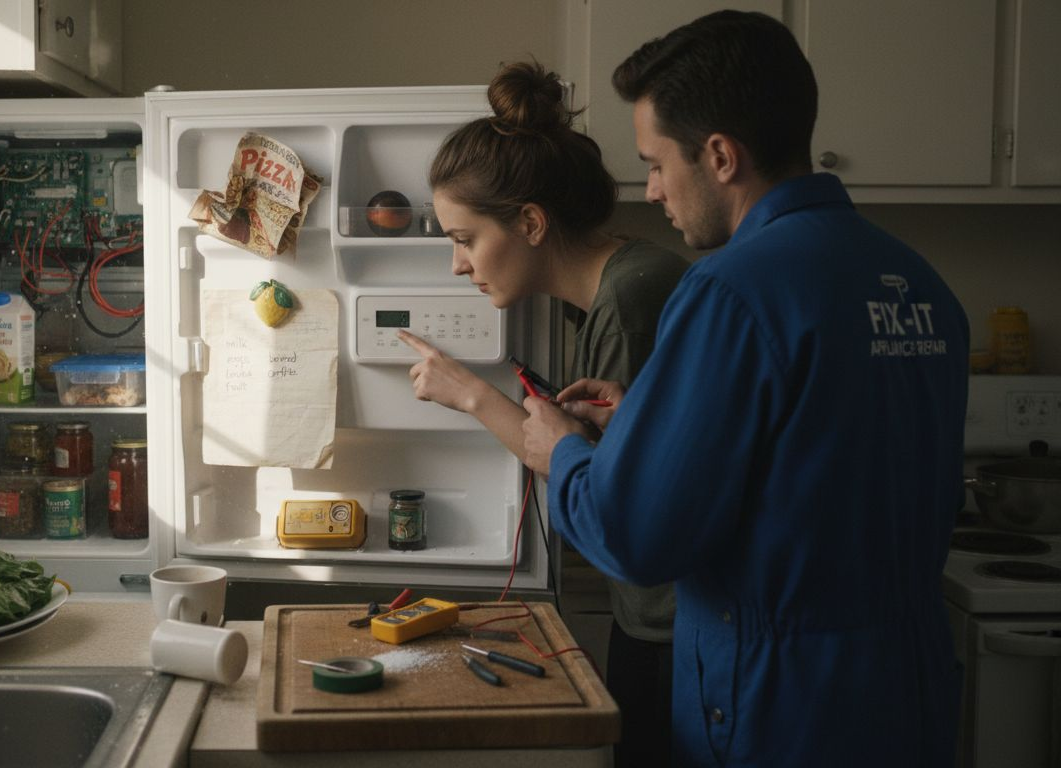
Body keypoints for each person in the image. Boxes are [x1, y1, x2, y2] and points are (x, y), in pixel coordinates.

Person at [519, 11, 968, 767]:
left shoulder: (730, 291)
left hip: (783, 709)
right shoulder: (918, 283)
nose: (653, 189)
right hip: (906, 694)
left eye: (657, 162)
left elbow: (637, 537)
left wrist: (560, 453)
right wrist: (648, 418)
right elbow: (817, 448)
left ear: (721, 155)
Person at [397, 60, 688, 766]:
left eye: (465, 239)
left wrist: (471, 394)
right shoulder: (605, 289)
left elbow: (609, 503)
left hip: (677, 631)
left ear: (529, 222)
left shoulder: (631, 298)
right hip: (657, 619)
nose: (458, 266)